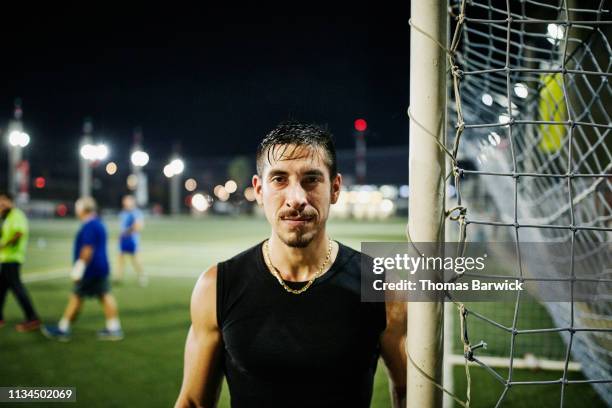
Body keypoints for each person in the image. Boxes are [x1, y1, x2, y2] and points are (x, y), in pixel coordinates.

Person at [175, 122, 407, 408]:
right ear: (259, 190)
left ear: (334, 189)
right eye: (279, 179)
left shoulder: (382, 285)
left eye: (311, 179)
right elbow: (193, 402)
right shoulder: (216, 286)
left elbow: (410, 392)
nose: (296, 199)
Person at [42, 197, 123, 341]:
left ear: (83, 209)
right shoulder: (98, 223)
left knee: (77, 297)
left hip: (90, 269)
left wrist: (79, 268)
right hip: (101, 267)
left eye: (77, 207)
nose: (76, 210)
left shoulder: (89, 226)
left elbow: (87, 249)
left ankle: (63, 328)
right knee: (105, 295)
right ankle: (114, 328)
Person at [0, 191, 41, 331]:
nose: (1, 203)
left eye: (3, 200)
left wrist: (4, 245)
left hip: (12, 258)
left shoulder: (16, 215)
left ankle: (32, 318)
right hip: (6, 258)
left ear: (10, 201)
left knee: (18, 289)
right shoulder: (7, 216)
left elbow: (19, 233)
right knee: (1, 290)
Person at [115, 195, 146, 286]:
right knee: (120, 258)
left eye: (128, 201)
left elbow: (139, 226)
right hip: (123, 240)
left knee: (135, 259)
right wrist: (121, 236)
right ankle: (118, 277)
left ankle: (142, 276)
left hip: (132, 240)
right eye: (125, 201)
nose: (126, 203)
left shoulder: (136, 213)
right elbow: (121, 227)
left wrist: (127, 232)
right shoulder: (122, 213)